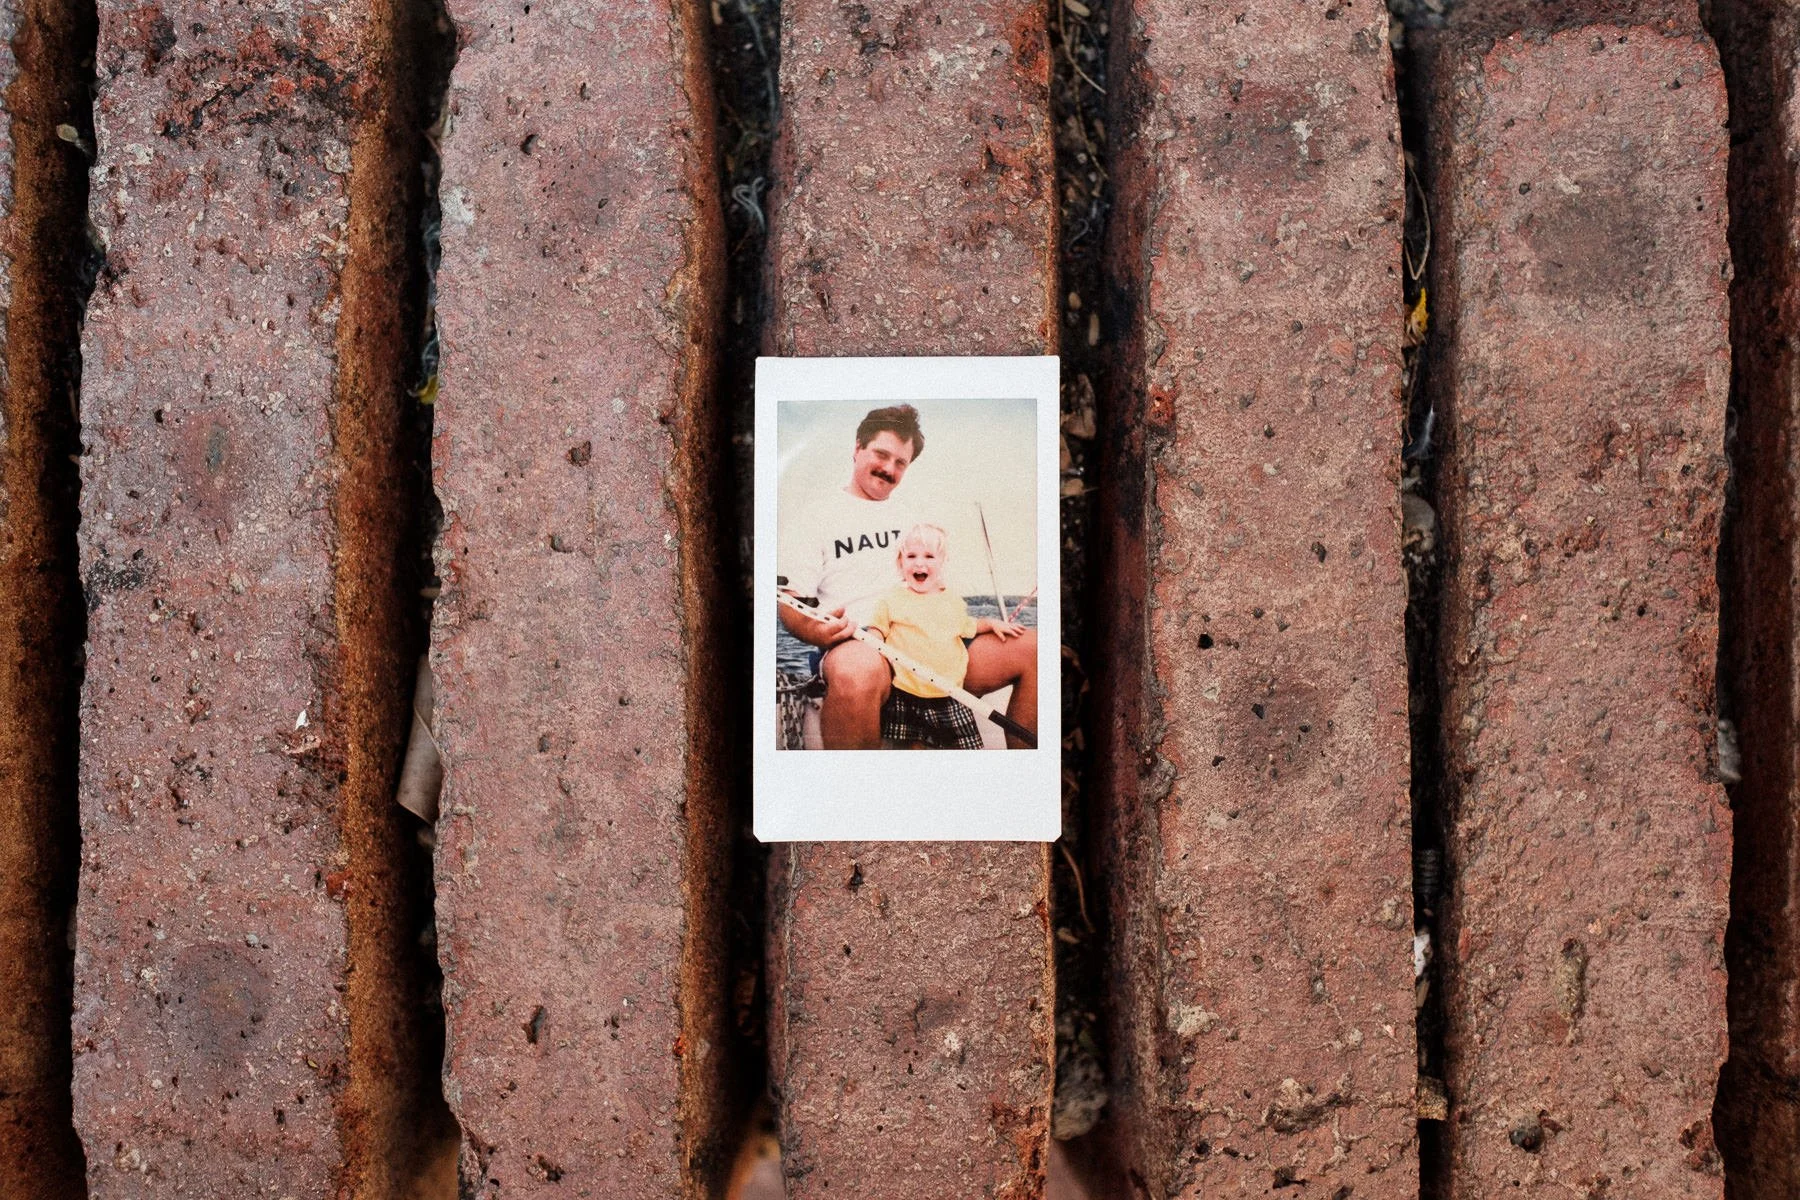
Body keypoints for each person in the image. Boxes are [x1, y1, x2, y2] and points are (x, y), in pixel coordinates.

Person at [778, 403, 1039, 749]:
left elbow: (941, 583)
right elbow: (790, 603)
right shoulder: (815, 517)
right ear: (857, 448)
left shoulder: (914, 516)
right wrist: (815, 629)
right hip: (864, 647)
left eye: (900, 462)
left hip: (937, 647)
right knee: (857, 673)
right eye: (881, 454)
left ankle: (1025, 783)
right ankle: (853, 797)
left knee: (1035, 648)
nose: (888, 468)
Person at [868, 523, 1025, 749]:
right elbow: (877, 630)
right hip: (906, 694)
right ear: (900, 563)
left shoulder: (950, 600)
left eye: (929, 556)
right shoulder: (891, 599)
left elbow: (967, 626)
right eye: (911, 556)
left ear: (942, 563)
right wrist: (871, 647)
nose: (919, 562)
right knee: (914, 751)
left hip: (950, 693)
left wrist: (991, 623)